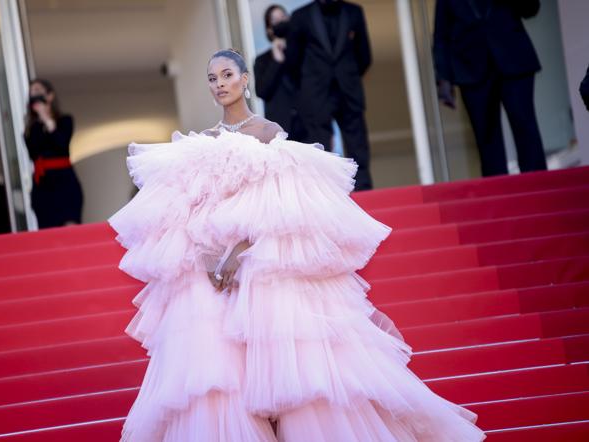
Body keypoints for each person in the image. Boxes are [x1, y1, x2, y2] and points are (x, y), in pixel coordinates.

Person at [108, 49, 486, 441]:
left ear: (245, 80)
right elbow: (189, 209)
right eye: (212, 78)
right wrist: (207, 258)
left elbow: (278, 207)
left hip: (256, 260)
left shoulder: (268, 133)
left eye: (226, 75)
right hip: (211, 269)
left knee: (289, 357)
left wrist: (238, 254)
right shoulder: (202, 143)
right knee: (212, 358)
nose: (219, 84)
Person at [433, 0, 547, 176]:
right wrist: (444, 80)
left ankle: (538, 186)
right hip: (470, 69)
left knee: (525, 124)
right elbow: (441, 36)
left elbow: (531, 9)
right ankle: (499, 196)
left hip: (514, 59)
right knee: (486, 139)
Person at [285, 0, 374, 190]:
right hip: (316, 93)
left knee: (357, 144)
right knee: (319, 147)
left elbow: (365, 55)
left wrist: (349, 76)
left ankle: (364, 191)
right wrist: (308, 86)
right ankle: (326, 192)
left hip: (348, 89)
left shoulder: (354, 12)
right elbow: (292, 61)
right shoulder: (301, 17)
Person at [24, 79, 83, 228]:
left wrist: (47, 119)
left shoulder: (65, 120)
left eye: (37, 91)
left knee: (71, 228)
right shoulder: (31, 129)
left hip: (65, 184)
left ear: (49, 96)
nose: (33, 95)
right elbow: (34, 154)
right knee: (49, 233)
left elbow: (61, 143)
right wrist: (38, 122)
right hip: (43, 188)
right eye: (31, 92)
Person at [253, 4, 307, 142]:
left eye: (283, 17)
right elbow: (262, 91)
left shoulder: (303, 53)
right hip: (280, 131)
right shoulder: (262, 60)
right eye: (275, 20)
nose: (281, 23)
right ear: (269, 30)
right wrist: (276, 61)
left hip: (309, 125)